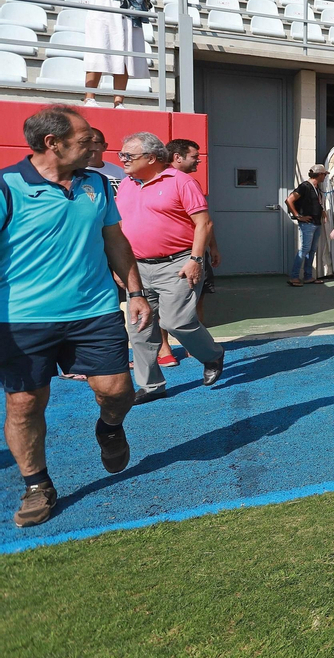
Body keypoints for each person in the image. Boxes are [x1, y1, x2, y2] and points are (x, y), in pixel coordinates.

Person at [2, 106, 150, 527]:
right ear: (53, 143)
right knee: (25, 402)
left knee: (118, 390)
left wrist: (135, 292)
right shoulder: (6, 186)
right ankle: (37, 485)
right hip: (22, 318)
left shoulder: (98, 185)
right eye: (86, 139)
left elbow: (115, 240)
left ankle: (109, 428)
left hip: (95, 310)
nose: (96, 145)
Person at [116, 132, 226, 404]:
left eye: (129, 155)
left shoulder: (181, 181)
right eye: (122, 155)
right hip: (137, 267)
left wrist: (196, 259)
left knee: (176, 321)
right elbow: (118, 227)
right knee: (139, 328)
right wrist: (119, 267)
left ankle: (212, 355)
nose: (123, 160)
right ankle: (150, 386)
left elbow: (203, 223)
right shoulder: (127, 185)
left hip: (177, 264)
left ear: (152, 158)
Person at [154, 138, 218, 367]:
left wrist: (212, 246)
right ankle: (164, 348)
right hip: (167, 259)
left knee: (197, 299)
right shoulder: (155, 182)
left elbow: (203, 220)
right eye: (194, 156)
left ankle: (195, 345)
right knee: (163, 306)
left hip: (195, 255)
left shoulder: (190, 183)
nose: (199, 160)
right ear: (177, 157)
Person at [285, 164, 328, 286]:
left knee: (311, 250)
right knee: (304, 249)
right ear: (320, 174)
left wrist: (322, 212)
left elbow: (315, 203)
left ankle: (308, 276)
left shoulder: (316, 187)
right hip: (308, 224)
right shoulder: (305, 186)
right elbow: (289, 200)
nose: (325, 177)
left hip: (315, 222)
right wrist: (299, 216)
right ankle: (294, 277)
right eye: (324, 174)